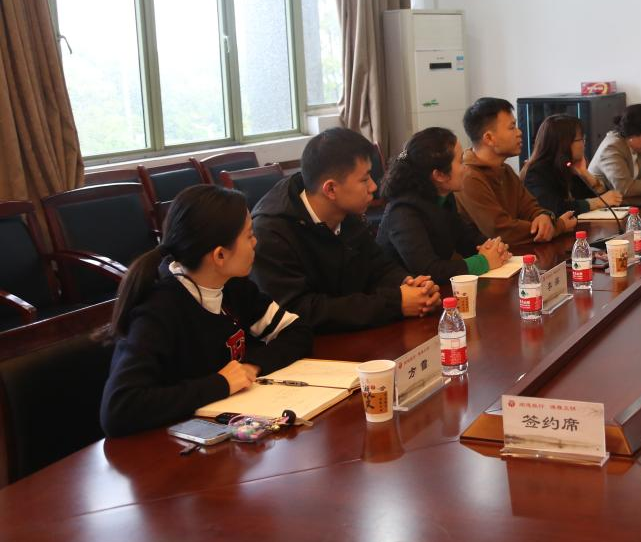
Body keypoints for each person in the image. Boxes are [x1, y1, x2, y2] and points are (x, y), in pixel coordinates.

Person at [100, 185, 312, 437]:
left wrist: (252, 366)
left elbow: (297, 331)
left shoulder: (232, 285)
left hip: (225, 426)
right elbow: (120, 409)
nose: (256, 242)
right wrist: (221, 383)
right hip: (169, 444)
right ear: (220, 255)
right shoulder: (158, 311)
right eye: (249, 236)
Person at [252, 127, 440, 333]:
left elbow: (378, 266)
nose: (373, 187)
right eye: (364, 179)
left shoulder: (346, 212)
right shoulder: (271, 233)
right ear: (331, 189)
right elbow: (299, 311)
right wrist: (396, 302)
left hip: (355, 335)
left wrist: (409, 285)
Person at [377, 127, 512, 281]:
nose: (466, 167)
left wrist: (493, 247)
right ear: (439, 175)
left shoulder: (442, 196)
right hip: (403, 291)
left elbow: (465, 238)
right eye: (461, 161)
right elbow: (428, 270)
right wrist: (483, 262)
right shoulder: (402, 212)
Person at [455, 98, 577, 245]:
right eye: (512, 127)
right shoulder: (469, 177)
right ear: (489, 138)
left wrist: (543, 216)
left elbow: (531, 208)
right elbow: (501, 231)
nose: (519, 132)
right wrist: (558, 227)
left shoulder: (505, 170)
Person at [521, 114, 623, 218]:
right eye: (581, 139)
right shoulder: (537, 172)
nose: (584, 144)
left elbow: (608, 202)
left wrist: (585, 174)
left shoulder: (568, 166)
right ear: (564, 143)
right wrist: (597, 202)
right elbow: (554, 209)